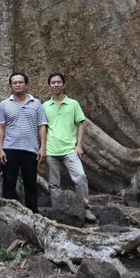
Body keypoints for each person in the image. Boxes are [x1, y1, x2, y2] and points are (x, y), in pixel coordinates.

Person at [44, 72, 96, 222]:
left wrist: (79, 145)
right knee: (54, 183)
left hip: (69, 149)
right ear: (49, 86)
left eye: (58, 82)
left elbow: (81, 124)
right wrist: (42, 148)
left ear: (64, 84)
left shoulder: (73, 104)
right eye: (53, 82)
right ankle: (57, 209)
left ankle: (85, 208)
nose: (56, 85)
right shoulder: (45, 106)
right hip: (51, 149)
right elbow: (42, 128)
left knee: (80, 177)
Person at [0, 72, 47, 213]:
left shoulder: (36, 103)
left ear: (26, 84)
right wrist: (0, 149)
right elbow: (0, 127)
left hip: (30, 149)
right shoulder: (4, 104)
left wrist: (42, 147)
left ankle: (33, 213)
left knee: (30, 182)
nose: (18, 85)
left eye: (20, 82)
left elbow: (42, 125)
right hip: (10, 148)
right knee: (9, 182)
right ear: (10, 86)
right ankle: (10, 212)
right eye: (15, 82)